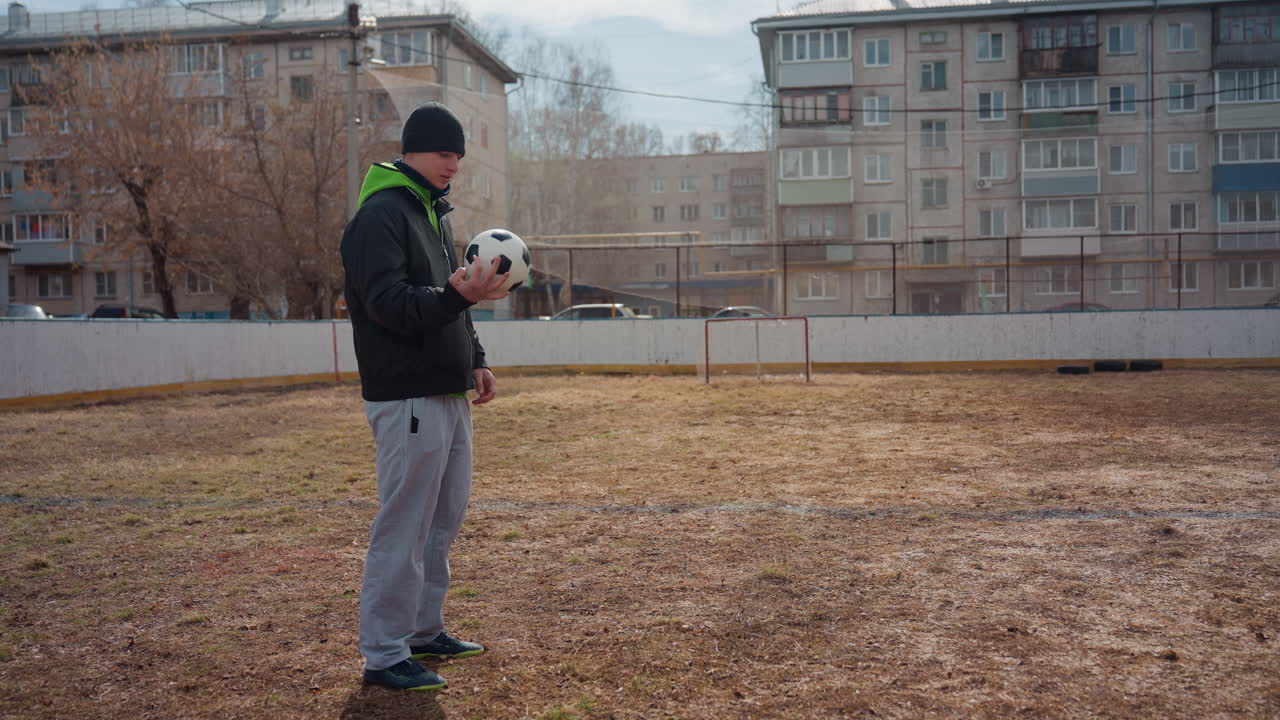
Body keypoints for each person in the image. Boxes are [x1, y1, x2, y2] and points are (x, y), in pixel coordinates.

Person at [340, 102, 510, 692]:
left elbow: (447, 296)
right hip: (405, 394)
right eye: (444, 153)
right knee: (405, 524)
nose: (453, 165)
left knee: (442, 519)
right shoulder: (380, 216)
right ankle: (384, 654)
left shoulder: (430, 214)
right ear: (412, 150)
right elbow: (390, 304)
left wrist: (476, 359)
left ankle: (422, 631)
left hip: (445, 390)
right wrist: (458, 300)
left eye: (459, 155)